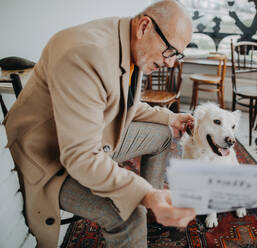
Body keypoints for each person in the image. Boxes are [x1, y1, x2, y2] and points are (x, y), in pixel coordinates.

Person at [3, 0, 196, 247]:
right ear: (145, 26)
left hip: (91, 137)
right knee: (129, 214)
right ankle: (148, 207)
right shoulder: (84, 54)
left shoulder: (127, 42)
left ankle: (155, 210)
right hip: (49, 160)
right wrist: (144, 194)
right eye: (170, 50)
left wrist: (170, 117)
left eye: (177, 54)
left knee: (163, 135)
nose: (170, 63)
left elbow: (122, 103)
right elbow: (80, 157)